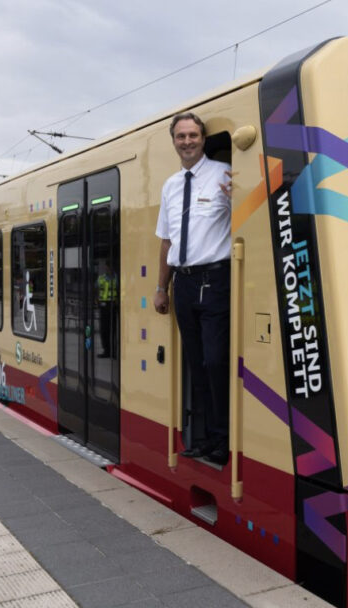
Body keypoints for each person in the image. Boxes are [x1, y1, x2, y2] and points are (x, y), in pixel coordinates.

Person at [153, 111, 232, 465]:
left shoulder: (224, 175)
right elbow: (166, 243)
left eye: (193, 135)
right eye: (181, 136)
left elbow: (247, 218)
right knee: (196, 365)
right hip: (183, 284)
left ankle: (223, 437)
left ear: (202, 138)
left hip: (215, 281)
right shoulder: (170, 186)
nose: (187, 141)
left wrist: (236, 196)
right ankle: (201, 437)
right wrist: (161, 288)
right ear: (174, 141)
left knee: (216, 362)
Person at [96, 259, 117, 358]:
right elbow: (95, 290)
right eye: (106, 267)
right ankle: (106, 351)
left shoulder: (117, 279)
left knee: (113, 330)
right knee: (104, 330)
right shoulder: (101, 279)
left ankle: (114, 351)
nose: (107, 269)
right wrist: (97, 301)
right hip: (103, 307)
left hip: (114, 307)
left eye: (108, 267)